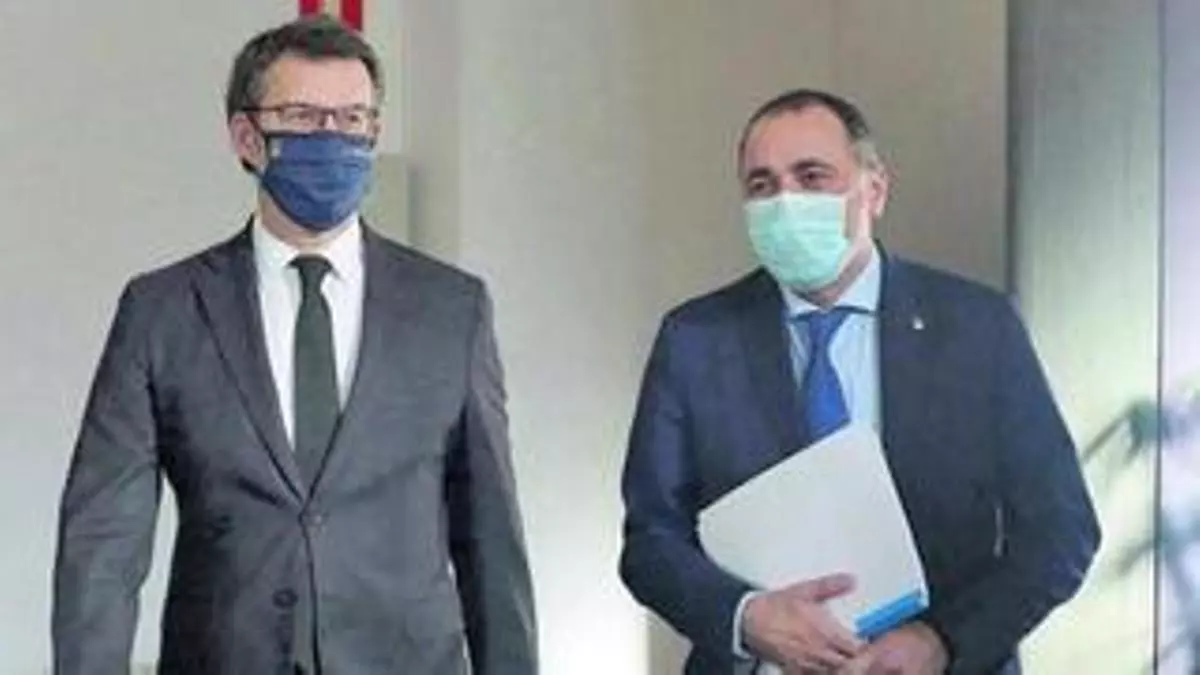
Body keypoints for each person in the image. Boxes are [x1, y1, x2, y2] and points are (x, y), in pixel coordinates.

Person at [52, 15, 537, 675]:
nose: (332, 138)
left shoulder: (452, 310)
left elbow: (491, 542)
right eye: (304, 118)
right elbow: (103, 541)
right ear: (246, 137)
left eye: (353, 119)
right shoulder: (162, 310)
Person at [618, 89, 1099, 675]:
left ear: (874, 190)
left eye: (811, 177)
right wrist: (745, 617)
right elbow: (650, 541)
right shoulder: (695, 339)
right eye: (762, 185)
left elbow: (1060, 533)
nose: (785, 202)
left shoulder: (977, 328)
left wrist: (941, 642)